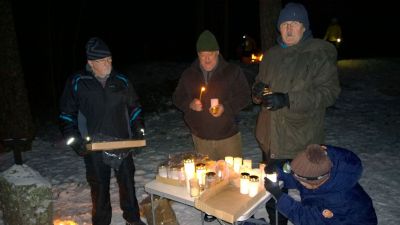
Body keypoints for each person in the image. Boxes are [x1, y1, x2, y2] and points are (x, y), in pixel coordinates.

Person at [252, 3, 341, 225]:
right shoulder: (270, 55)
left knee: (308, 193)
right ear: (279, 28)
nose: (289, 29)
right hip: (271, 138)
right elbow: (260, 85)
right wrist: (257, 92)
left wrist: (288, 99)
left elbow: (329, 93)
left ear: (304, 27)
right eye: (285, 24)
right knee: (274, 190)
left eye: (295, 24)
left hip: (303, 140)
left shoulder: (318, 53)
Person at [59, 37, 146, 225]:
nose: (108, 63)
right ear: (91, 63)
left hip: (122, 142)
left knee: (128, 185)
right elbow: (66, 114)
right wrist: (75, 141)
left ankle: (133, 218)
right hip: (94, 145)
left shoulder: (121, 80)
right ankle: (101, 222)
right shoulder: (78, 81)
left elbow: (135, 108)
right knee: (99, 188)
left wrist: (138, 132)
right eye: (103, 60)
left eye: (110, 58)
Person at [172, 30, 251, 222]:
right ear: (198, 55)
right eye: (202, 55)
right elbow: (177, 97)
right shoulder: (189, 74)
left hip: (228, 137)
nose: (206, 59)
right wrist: (189, 104)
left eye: (210, 54)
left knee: (232, 177)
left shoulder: (232, 72)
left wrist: (227, 107)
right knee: (208, 177)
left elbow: (245, 96)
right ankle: (211, 208)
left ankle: (236, 210)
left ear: (217, 53)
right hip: (201, 137)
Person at [264, 144, 378, 225]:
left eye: (302, 181)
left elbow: (307, 219)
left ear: (315, 182)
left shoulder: (337, 200)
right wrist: (278, 170)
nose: (299, 183)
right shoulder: (320, 164)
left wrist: (279, 196)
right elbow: (298, 175)